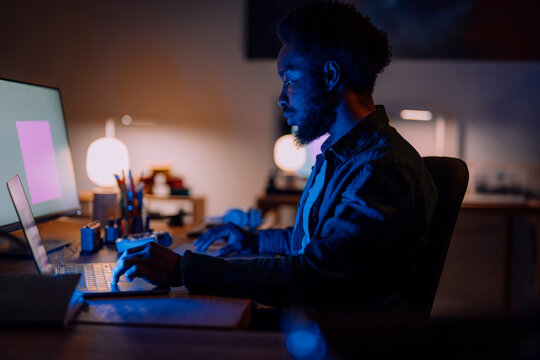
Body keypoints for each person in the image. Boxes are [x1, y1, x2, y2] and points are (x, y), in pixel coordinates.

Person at [111, 1, 437, 314]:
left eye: (290, 80)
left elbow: (315, 276)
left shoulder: (380, 170)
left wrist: (184, 269)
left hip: (328, 341)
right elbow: (318, 244)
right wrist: (254, 240)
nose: (282, 97)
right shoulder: (343, 156)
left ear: (330, 76)